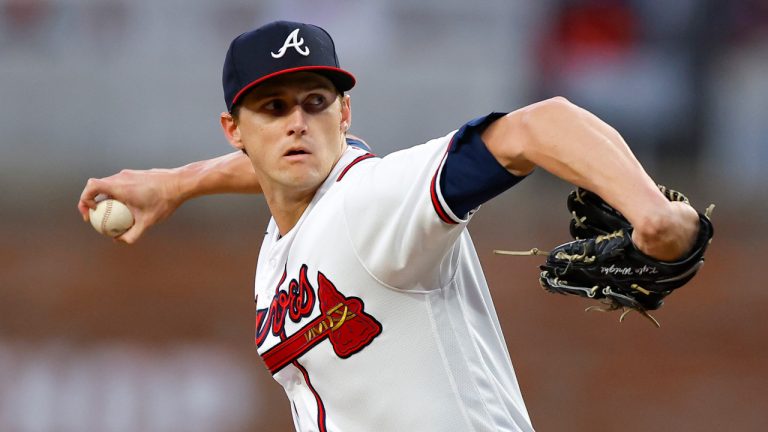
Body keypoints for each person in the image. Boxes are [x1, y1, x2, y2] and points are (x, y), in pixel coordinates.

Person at [78, 20, 700, 432]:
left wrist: (654, 214)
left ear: (345, 113)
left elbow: (543, 124)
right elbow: (274, 170)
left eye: (316, 103)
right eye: (273, 107)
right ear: (233, 131)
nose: (298, 122)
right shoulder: (293, 226)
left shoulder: (372, 203)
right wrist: (177, 184)